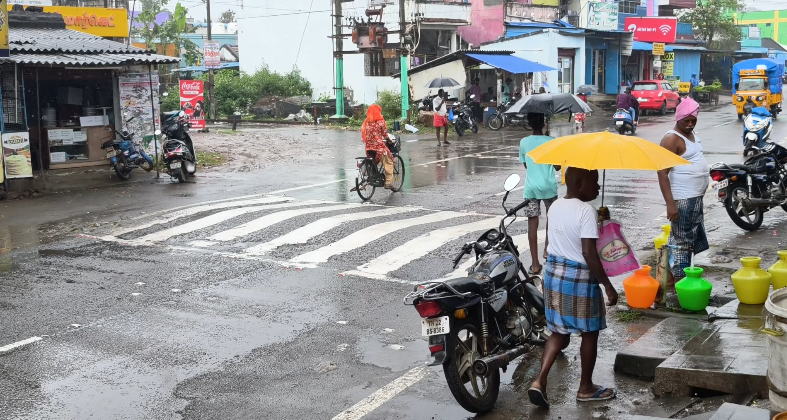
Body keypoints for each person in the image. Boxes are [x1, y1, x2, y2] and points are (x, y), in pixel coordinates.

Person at [528, 167, 619, 409]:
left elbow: (553, 238)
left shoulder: (556, 205)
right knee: (589, 332)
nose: (598, 188)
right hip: (579, 278)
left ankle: (539, 380)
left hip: (554, 275)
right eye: (594, 183)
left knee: (558, 332)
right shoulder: (586, 211)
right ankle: (586, 388)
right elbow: (589, 252)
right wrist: (608, 286)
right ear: (579, 184)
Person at [657, 97, 709, 288]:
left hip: (695, 197)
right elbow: (662, 173)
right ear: (677, 118)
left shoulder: (691, 134)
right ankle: (681, 281)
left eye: (693, 120)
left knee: (684, 237)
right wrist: (670, 204)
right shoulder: (671, 139)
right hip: (683, 198)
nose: (689, 124)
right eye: (685, 121)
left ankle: (669, 279)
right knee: (683, 241)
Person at [519, 113, 559, 275]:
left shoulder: (524, 142)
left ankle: (535, 264)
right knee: (553, 218)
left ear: (529, 123)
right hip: (549, 186)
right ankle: (547, 249)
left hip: (531, 188)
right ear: (544, 122)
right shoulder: (551, 142)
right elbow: (557, 167)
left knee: (532, 225)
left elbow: (526, 165)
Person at [361, 104, 394, 189]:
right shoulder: (380, 121)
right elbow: (385, 135)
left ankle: (373, 177)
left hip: (368, 147)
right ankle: (388, 183)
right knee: (389, 162)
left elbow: (364, 133)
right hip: (379, 147)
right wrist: (390, 141)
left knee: (373, 163)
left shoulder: (367, 121)